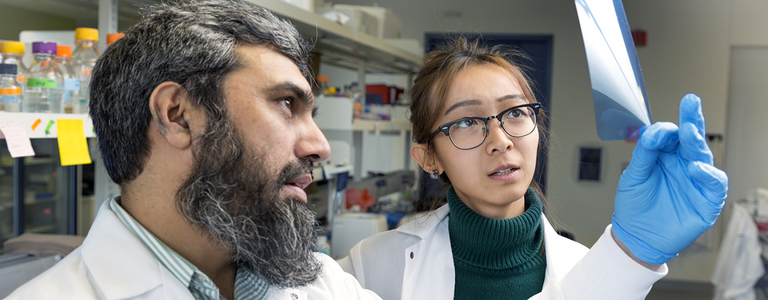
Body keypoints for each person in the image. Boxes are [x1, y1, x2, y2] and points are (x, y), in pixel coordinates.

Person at [6, 1, 381, 299]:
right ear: (178, 116)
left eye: (311, 115)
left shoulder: (325, 283)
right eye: (286, 104)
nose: (320, 146)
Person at [337, 38, 728, 299]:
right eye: (467, 122)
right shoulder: (371, 266)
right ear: (429, 158)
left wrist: (631, 257)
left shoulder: (588, 269)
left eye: (515, 113)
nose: (501, 139)